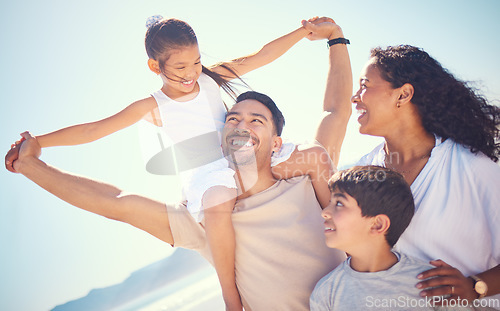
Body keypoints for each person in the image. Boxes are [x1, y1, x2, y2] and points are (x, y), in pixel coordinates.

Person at [6, 19, 352, 310]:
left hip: (248, 159)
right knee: (219, 199)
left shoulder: (209, 79)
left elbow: (259, 56)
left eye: (197, 62)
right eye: (180, 68)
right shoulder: (151, 105)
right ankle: (232, 299)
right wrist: (39, 143)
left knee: (314, 154)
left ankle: (346, 233)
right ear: (155, 67)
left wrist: (303, 32)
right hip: (210, 173)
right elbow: (95, 129)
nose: (191, 74)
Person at [353, 45, 500, 306]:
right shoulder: (363, 172)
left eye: (365, 85)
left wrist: (475, 286)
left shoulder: (473, 167)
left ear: (404, 94)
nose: (355, 97)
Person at [310, 165, 476, 310]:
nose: (325, 212)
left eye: (339, 203)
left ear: (378, 225)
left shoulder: (434, 284)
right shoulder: (326, 292)